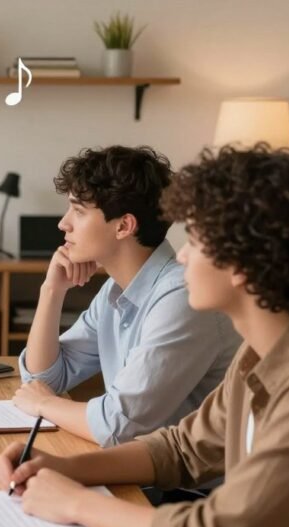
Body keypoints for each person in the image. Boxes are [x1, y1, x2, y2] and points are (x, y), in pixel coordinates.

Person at [0, 144, 289, 527]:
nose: (182, 256)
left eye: (198, 241)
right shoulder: (259, 355)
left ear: (241, 264)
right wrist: (61, 467)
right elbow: (181, 449)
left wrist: (76, 502)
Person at [13, 146, 240, 447]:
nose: (63, 223)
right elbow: (44, 380)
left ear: (124, 226)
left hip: (178, 489)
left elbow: (117, 427)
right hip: (143, 473)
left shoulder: (181, 299)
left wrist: (44, 405)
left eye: (79, 211)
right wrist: (52, 291)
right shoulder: (116, 289)